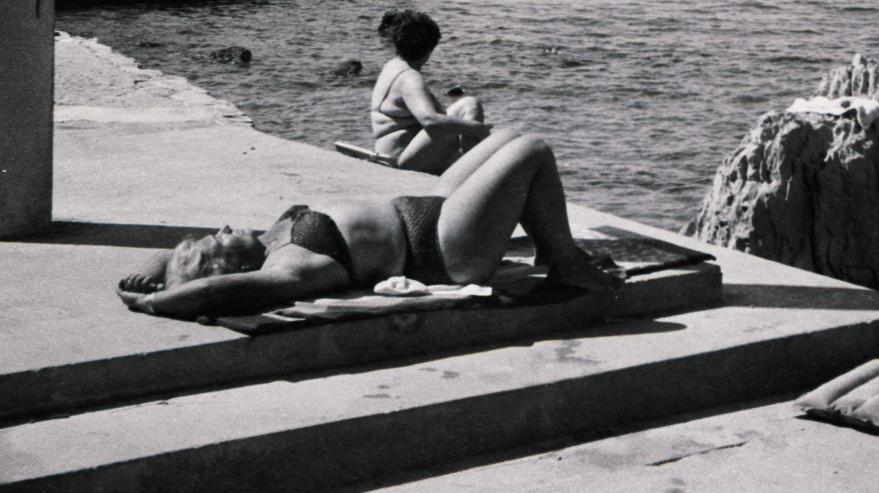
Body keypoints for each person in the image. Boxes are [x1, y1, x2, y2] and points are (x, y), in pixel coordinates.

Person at [116, 128, 622, 321]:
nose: (225, 226)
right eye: (219, 238)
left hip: (429, 210)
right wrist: (155, 301)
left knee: (510, 135)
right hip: (444, 252)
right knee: (533, 150)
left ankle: (552, 247)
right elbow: (209, 294)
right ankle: (564, 261)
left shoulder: (270, 240)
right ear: (228, 264)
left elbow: (168, 260)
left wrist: (150, 274)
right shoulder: (289, 268)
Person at [372, 9, 491, 173]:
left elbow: (436, 113)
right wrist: (478, 128)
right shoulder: (410, 78)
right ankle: (475, 170)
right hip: (401, 158)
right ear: (429, 50)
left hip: (390, 150)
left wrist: (466, 125)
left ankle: (472, 162)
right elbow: (430, 120)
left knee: (465, 109)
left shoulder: (392, 66)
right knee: (471, 104)